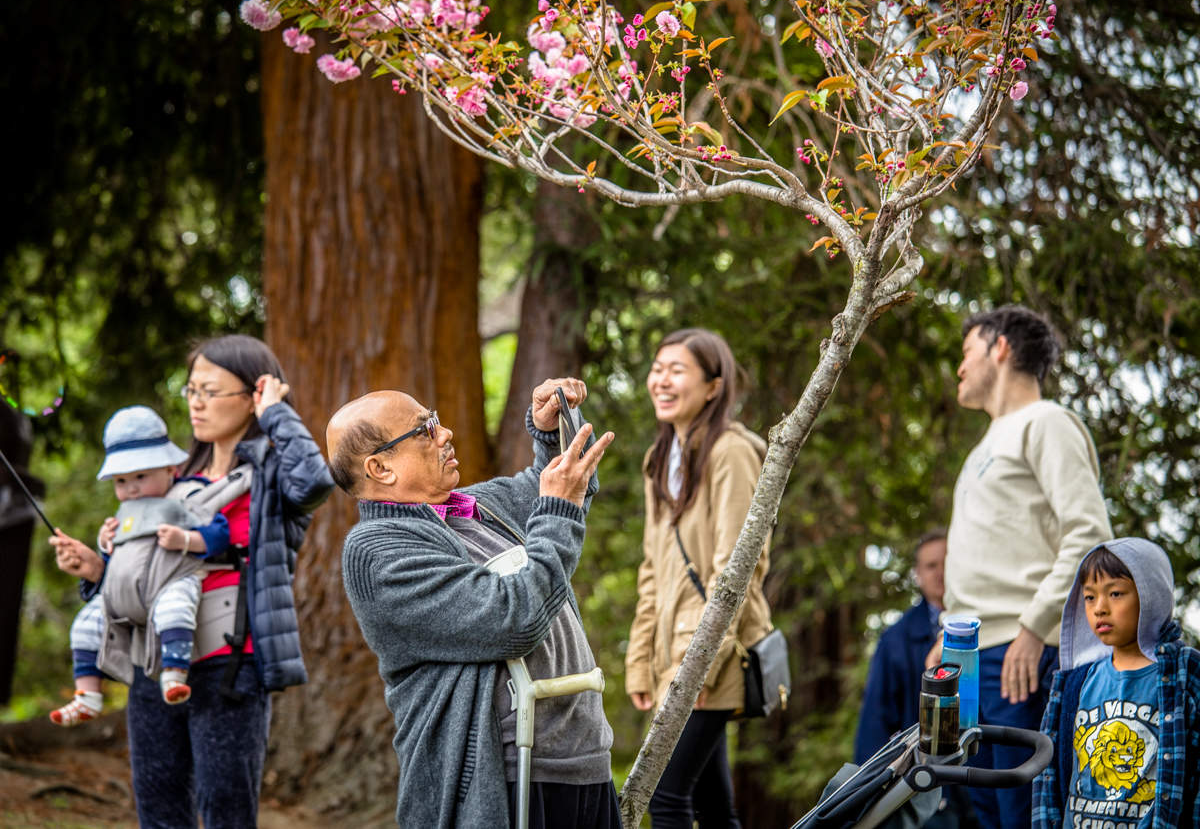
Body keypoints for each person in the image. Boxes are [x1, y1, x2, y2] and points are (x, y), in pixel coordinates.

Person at [50, 334, 334, 827]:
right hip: (154, 660)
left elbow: (314, 482)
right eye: (191, 390)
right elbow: (141, 573)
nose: (196, 403)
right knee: (158, 803)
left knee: (225, 805)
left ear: (254, 395)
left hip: (229, 666)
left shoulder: (270, 478)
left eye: (210, 391)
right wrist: (96, 568)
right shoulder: (169, 478)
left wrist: (277, 415)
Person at [328, 378, 620, 829]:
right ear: (380, 469)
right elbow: (511, 619)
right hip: (505, 777)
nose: (444, 434)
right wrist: (559, 511)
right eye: (424, 429)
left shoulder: (475, 505)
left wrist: (550, 429)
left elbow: (562, 490)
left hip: (583, 761)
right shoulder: (377, 549)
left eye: (436, 420)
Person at [936, 305, 1113, 829]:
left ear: (1001, 348)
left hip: (1021, 656)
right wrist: (946, 631)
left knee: (1027, 810)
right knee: (981, 809)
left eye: (967, 352)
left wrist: (1035, 630)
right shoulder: (983, 447)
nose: (959, 367)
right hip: (967, 658)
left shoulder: (1047, 422)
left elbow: (1089, 534)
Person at [624, 328, 772, 829]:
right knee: (711, 806)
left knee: (664, 795)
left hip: (711, 653)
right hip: (675, 655)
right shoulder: (658, 460)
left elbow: (739, 566)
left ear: (713, 386)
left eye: (677, 370)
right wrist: (640, 660)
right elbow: (653, 570)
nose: (661, 380)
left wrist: (701, 664)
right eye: (657, 368)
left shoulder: (731, 451)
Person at [50, 405, 231, 726]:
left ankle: (174, 674)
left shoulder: (187, 496)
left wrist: (186, 540)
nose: (131, 488)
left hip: (171, 581)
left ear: (170, 469)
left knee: (175, 608)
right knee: (85, 624)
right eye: (121, 480)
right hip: (124, 595)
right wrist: (104, 546)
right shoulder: (125, 513)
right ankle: (87, 695)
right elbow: (118, 563)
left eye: (141, 476)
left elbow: (220, 533)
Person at [1032, 537, 1200, 828]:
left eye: (1116, 593)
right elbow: (1047, 776)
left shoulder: (1185, 673)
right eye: (1089, 596)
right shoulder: (1074, 682)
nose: (1100, 608)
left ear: (1152, 595)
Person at [855, 530, 976, 829]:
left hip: (980, 786)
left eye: (947, 562)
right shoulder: (895, 640)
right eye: (931, 566)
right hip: (925, 791)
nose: (941, 572)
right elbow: (875, 720)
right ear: (917, 575)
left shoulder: (987, 626)